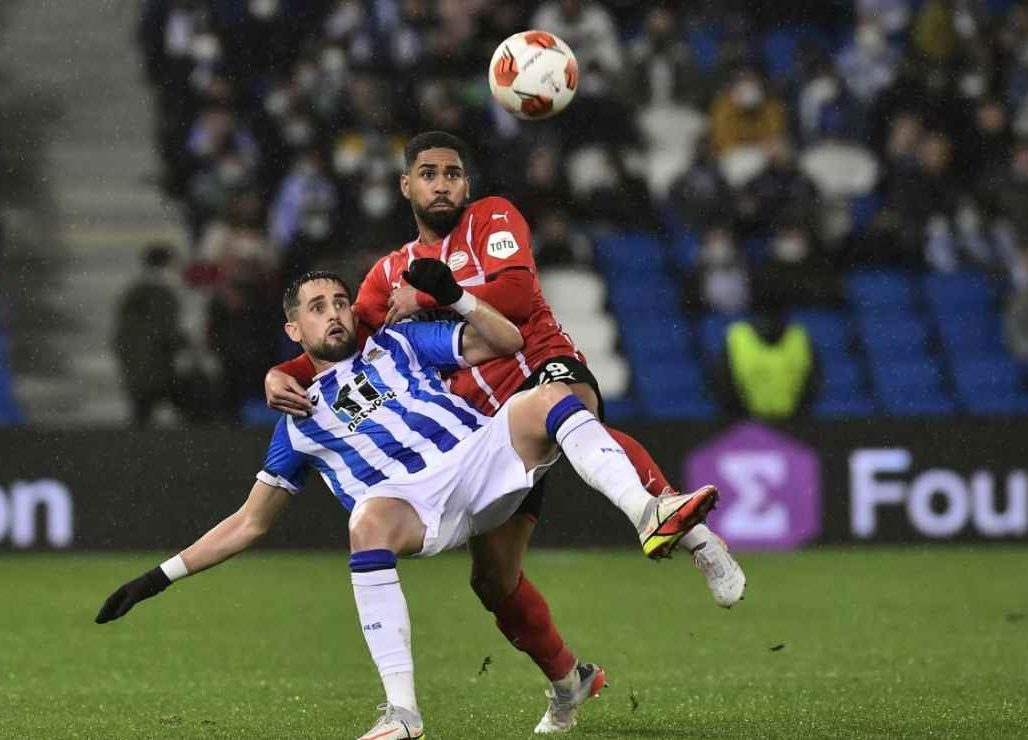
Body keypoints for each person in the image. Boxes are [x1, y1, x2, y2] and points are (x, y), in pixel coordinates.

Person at [94, 268, 719, 740]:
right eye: (317, 308)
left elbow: (504, 339)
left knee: (547, 397)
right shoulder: (297, 424)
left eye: (340, 302)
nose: (335, 313)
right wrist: (157, 578)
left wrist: (457, 294)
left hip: (479, 459)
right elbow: (248, 523)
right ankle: (403, 713)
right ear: (295, 331)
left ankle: (647, 513)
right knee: (367, 522)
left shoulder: (400, 344)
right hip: (415, 510)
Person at [262, 132, 745, 731]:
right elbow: (342, 340)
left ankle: (682, 529)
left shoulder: (494, 216)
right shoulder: (386, 273)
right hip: (481, 431)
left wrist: (441, 294)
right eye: (429, 174)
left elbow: (517, 293)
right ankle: (571, 682)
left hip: (539, 362)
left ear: (466, 184)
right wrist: (279, 372)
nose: (443, 184)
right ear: (406, 186)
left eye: (453, 174)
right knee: (493, 581)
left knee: (566, 403)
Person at [111, 243, 190, 425]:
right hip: (153, 362)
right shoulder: (159, 293)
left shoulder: (136, 291)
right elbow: (164, 330)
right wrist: (184, 344)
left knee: (142, 411)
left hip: (141, 361)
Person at [713, 288, 818, 421]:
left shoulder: (799, 336)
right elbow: (723, 384)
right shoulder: (736, 336)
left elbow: (813, 383)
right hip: (747, 424)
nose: (769, 322)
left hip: (792, 422)